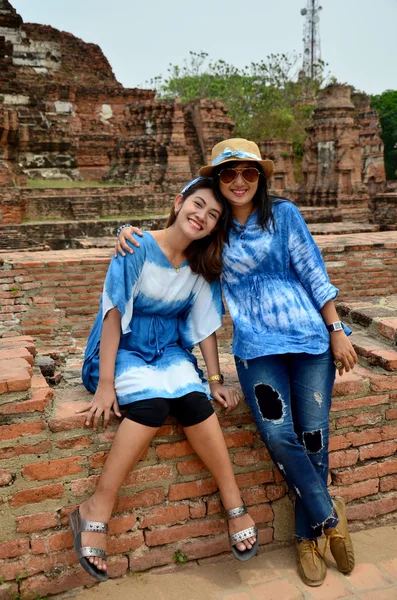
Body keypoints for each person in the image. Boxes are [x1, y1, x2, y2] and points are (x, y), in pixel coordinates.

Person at [115, 139, 358, 587]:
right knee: (279, 435)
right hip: (256, 348)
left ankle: (307, 537)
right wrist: (128, 232)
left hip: (309, 340)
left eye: (249, 172)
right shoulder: (215, 227)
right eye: (228, 174)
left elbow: (313, 270)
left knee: (313, 436)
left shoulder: (283, 214)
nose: (239, 181)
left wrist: (336, 329)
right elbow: (176, 227)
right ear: (217, 181)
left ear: (261, 177)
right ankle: (329, 516)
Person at [70, 177, 259, 583]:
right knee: (153, 406)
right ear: (179, 202)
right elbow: (114, 313)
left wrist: (213, 379)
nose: (202, 217)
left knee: (193, 402)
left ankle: (233, 503)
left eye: (213, 215)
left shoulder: (203, 263)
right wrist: (105, 385)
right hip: (122, 349)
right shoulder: (135, 246)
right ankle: (95, 509)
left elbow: (205, 325)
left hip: (169, 351)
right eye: (198, 205)